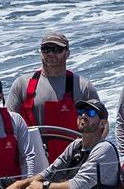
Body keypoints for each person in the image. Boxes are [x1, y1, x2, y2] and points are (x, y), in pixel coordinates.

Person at [2, 99, 120, 189]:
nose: (83, 116)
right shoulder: (76, 145)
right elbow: (50, 172)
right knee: (4, 185)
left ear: (102, 123)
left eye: (90, 113)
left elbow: (76, 188)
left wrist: (43, 187)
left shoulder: (104, 149)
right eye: (80, 112)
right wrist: (20, 184)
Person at [7, 32, 100, 163]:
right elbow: (9, 124)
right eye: (46, 49)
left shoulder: (82, 86)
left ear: (67, 53)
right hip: (34, 161)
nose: (50, 53)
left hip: (73, 161)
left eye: (57, 49)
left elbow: (101, 125)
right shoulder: (22, 84)